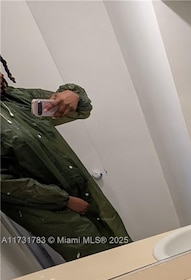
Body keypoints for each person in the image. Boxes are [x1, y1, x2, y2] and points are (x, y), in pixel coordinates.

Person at [1, 55, 130, 262]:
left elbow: (81, 111)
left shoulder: (19, 98)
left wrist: (73, 94)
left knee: (119, 242)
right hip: (50, 209)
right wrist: (63, 200)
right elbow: (4, 183)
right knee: (97, 261)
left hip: (81, 189)